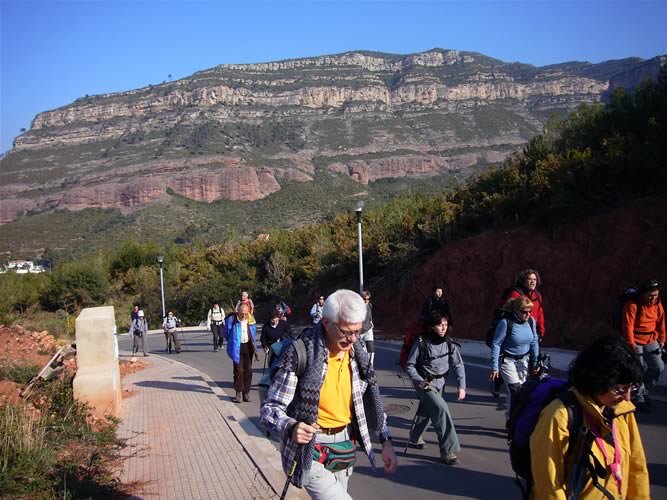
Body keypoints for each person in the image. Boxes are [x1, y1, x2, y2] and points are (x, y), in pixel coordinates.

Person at [260, 289, 398, 499]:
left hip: (343, 446)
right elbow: (269, 410)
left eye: (357, 331)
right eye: (345, 332)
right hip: (310, 449)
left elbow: (369, 404)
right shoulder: (300, 353)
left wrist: (385, 440)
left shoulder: (357, 355)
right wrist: (291, 426)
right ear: (326, 322)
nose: (352, 339)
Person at [530, 336, 649, 499]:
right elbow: (549, 486)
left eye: (632, 388)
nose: (628, 397)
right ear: (597, 380)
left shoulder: (622, 411)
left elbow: (637, 468)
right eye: (620, 389)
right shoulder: (559, 415)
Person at [405, 310, 465, 465]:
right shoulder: (421, 342)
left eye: (445, 324)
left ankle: (414, 437)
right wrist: (420, 381)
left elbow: (458, 364)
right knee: (441, 409)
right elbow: (410, 366)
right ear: (431, 327)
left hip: (441, 383)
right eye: (440, 325)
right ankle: (447, 450)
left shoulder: (449, 342)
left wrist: (461, 386)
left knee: (427, 409)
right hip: (424, 383)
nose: (443, 328)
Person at [489, 296, 539, 422]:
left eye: (529, 311)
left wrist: (536, 361)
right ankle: (512, 421)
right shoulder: (506, 323)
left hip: (524, 361)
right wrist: (495, 367)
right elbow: (496, 344)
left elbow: (534, 342)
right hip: (508, 361)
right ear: (516, 310)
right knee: (516, 391)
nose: (527, 314)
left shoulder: (531, 322)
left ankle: (514, 417)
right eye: (524, 312)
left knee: (522, 393)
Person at [622, 279, 665, 412]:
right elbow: (627, 326)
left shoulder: (657, 305)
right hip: (635, 339)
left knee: (658, 367)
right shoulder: (632, 305)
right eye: (650, 295)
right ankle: (638, 397)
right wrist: (631, 344)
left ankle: (643, 390)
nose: (653, 298)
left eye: (656, 295)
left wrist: (662, 339)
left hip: (651, 339)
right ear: (643, 294)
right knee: (638, 368)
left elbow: (661, 322)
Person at [224, 303, 258, 403]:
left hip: (248, 347)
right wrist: (232, 342)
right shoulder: (232, 320)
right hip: (237, 347)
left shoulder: (251, 320)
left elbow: (254, 332)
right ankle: (239, 391)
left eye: (245, 313)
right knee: (238, 370)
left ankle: (246, 392)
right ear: (238, 312)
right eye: (242, 313)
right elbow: (226, 333)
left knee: (249, 370)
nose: (244, 315)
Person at [360, 291, 375, 365]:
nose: (366, 300)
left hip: (368, 330)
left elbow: (370, 316)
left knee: (370, 349)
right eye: (364, 299)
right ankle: (362, 366)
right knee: (361, 350)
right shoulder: (357, 307)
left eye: (368, 299)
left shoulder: (370, 305)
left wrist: (371, 323)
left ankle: (370, 366)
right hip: (360, 331)